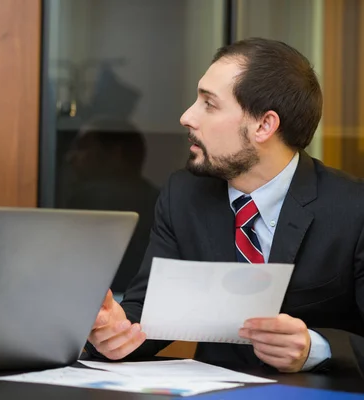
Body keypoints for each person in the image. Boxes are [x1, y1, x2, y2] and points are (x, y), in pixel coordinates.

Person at [87, 37, 364, 375]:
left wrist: (314, 348)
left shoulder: (353, 209)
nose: (187, 116)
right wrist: (117, 330)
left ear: (264, 125)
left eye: (209, 104)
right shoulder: (183, 194)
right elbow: (147, 314)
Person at [64, 118, 159, 293]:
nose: (70, 157)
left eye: (83, 147)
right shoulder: (159, 198)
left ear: (116, 154)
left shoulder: (89, 198)